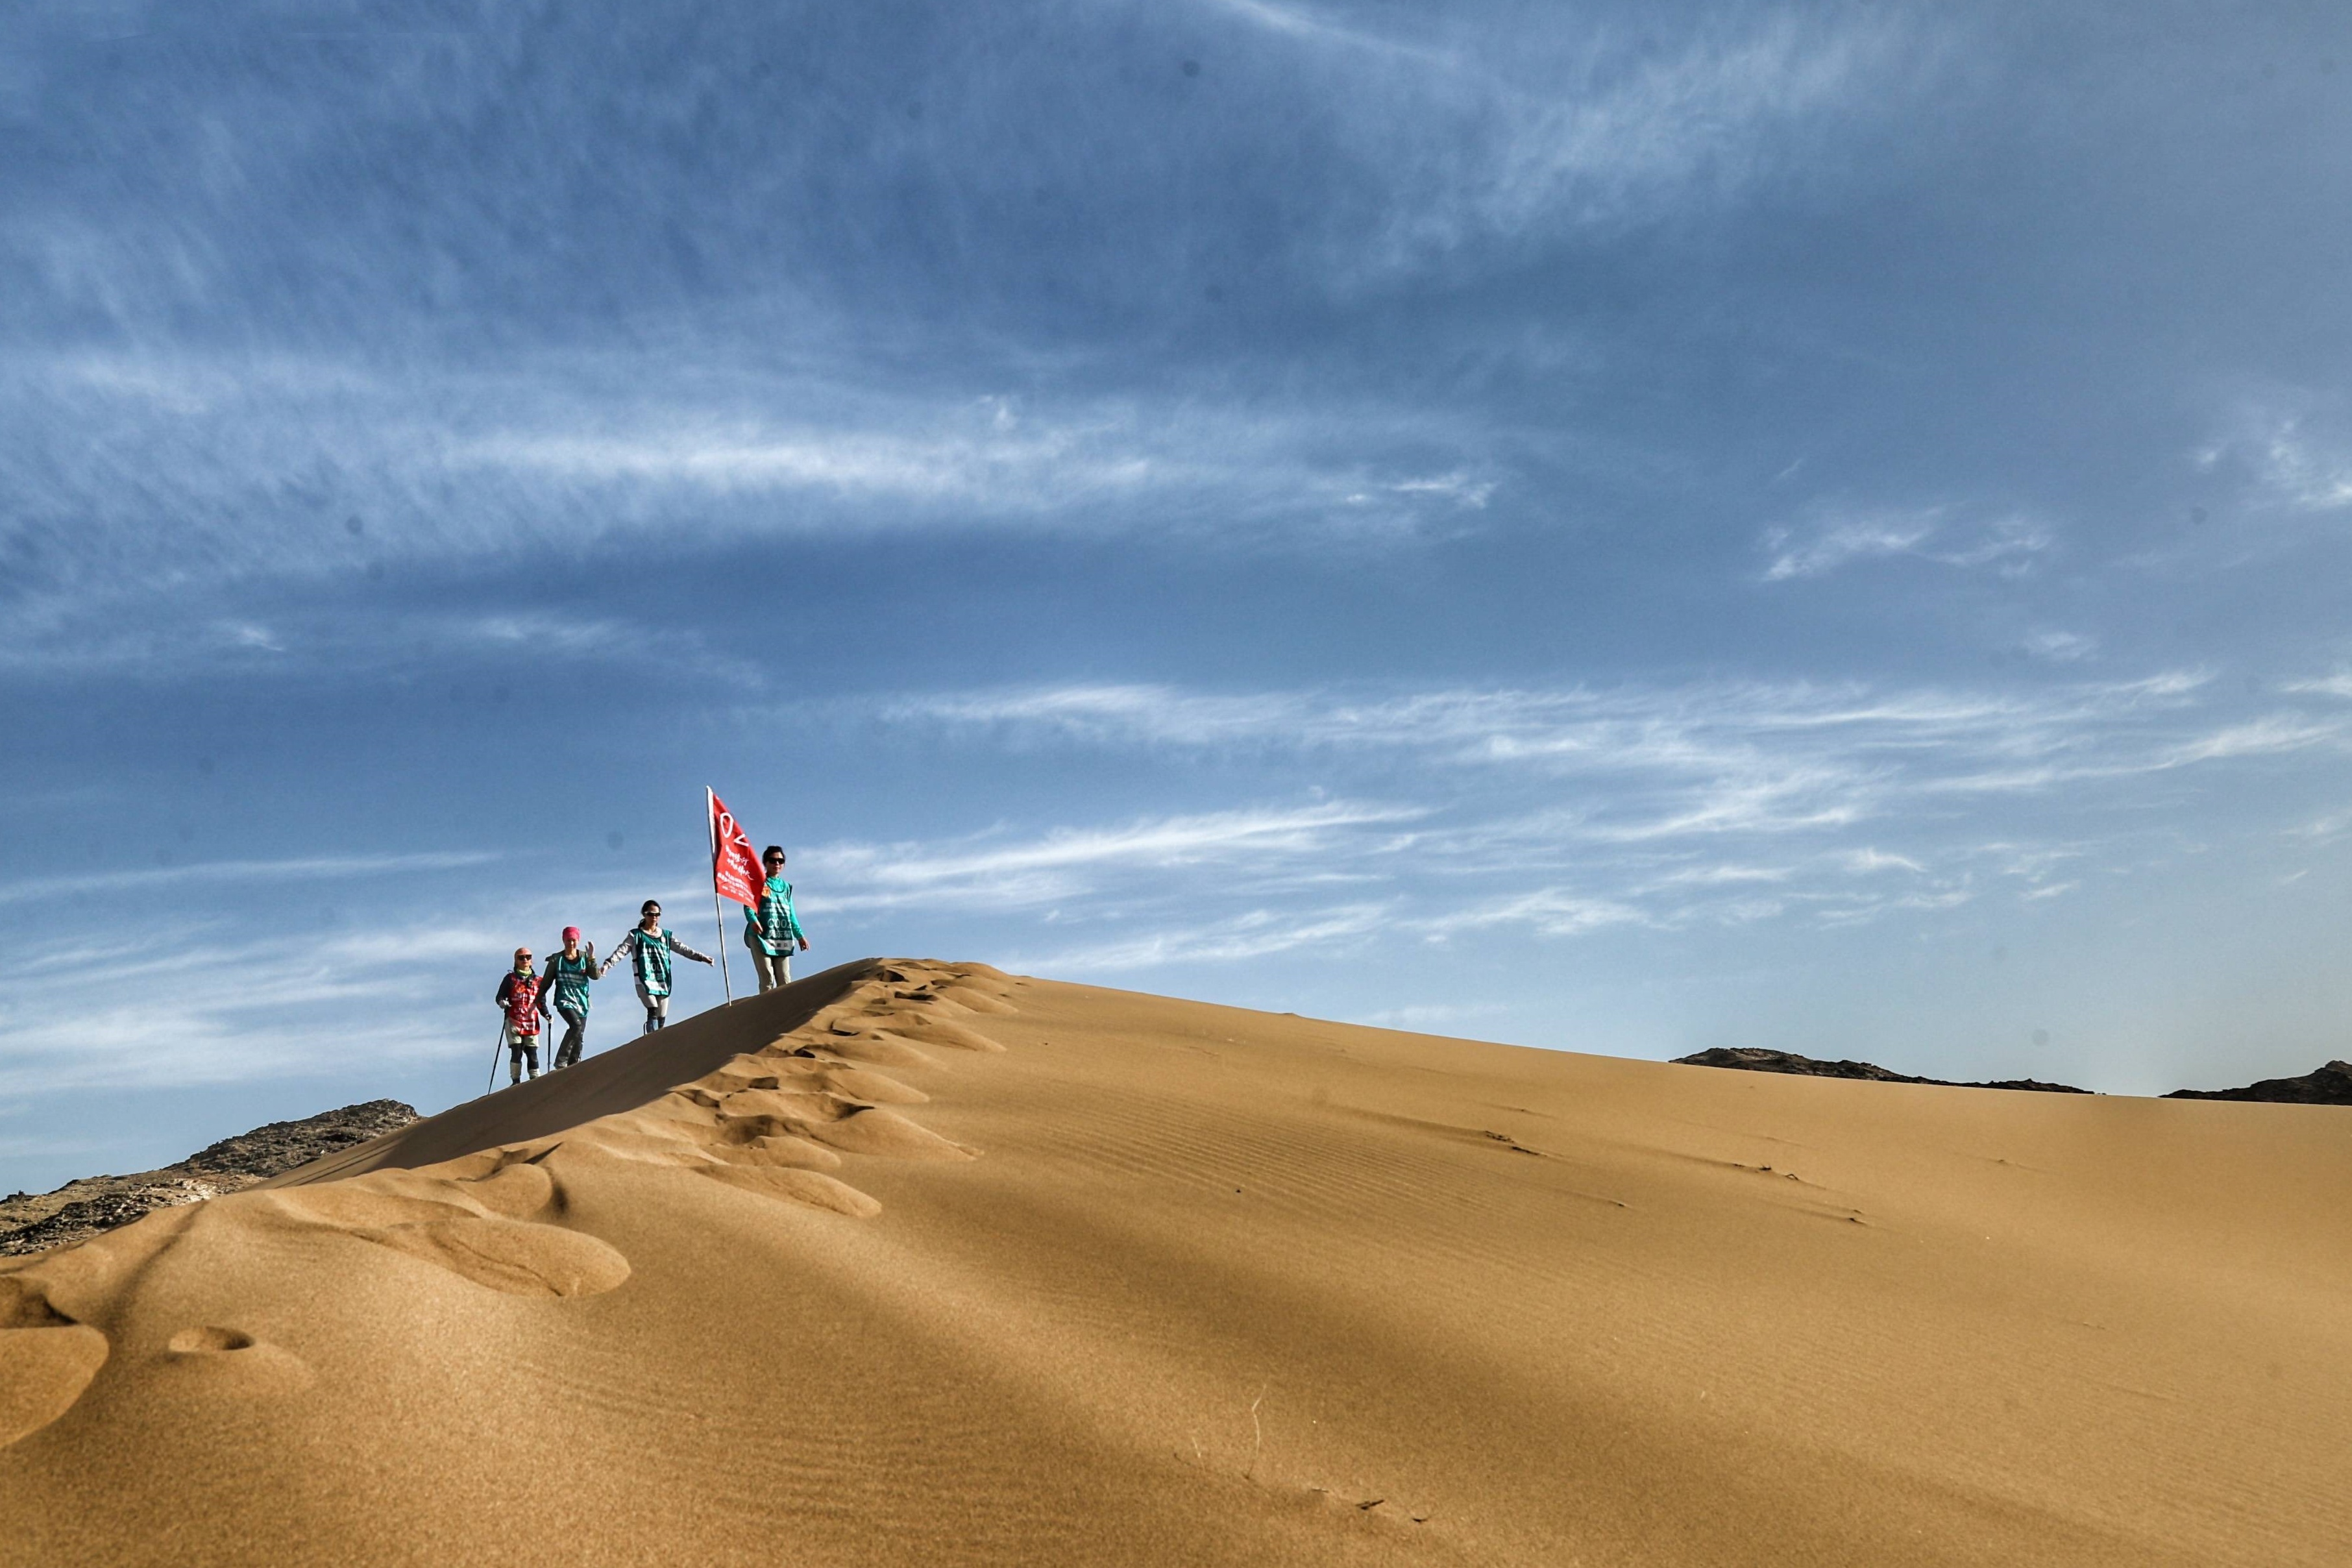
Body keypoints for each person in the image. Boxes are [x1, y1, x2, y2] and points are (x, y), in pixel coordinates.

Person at [610, 899, 711, 1033]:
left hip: (662, 981)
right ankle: (650, 1040)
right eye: (651, 914)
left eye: (657, 915)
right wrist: (607, 965)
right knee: (652, 1009)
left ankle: (658, 1043)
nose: (654, 918)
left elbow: (683, 949)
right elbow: (620, 952)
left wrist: (700, 957)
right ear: (644, 915)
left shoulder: (666, 936)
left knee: (661, 1017)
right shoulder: (636, 936)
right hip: (643, 980)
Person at [744, 846, 809, 992]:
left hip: (781, 937)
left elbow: (790, 914)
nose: (777, 864)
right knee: (767, 978)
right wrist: (753, 920)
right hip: (760, 936)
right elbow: (748, 905)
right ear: (766, 863)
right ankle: (765, 1012)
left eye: (780, 860)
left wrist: (800, 936)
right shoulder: (759, 883)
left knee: (785, 980)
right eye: (773, 860)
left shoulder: (786, 887)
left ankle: (786, 1012)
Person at [541, 926, 605, 1070]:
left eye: (574, 940)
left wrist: (591, 958)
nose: (571, 943)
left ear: (578, 940)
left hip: (581, 1002)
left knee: (579, 1035)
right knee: (576, 1026)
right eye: (568, 940)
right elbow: (546, 983)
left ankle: (573, 1068)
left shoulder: (584, 957)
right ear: (563, 940)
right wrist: (538, 1002)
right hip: (564, 1000)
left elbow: (595, 976)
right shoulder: (556, 960)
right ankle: (561, 1061)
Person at [494, 946, 549, 1084]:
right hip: (514, 1019)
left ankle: (535, 1080)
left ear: (532, 961)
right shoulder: (510, 979)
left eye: (528, 957)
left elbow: (541, 1001)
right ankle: (516, 1081)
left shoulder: (539, 981)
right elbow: (500, 996)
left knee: (532, 1051)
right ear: (516, 961)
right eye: (521, 957)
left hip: (531, 1021)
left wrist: (546, 1014)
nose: (525, 960)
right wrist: (502, 1002)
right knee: (516, 1051)